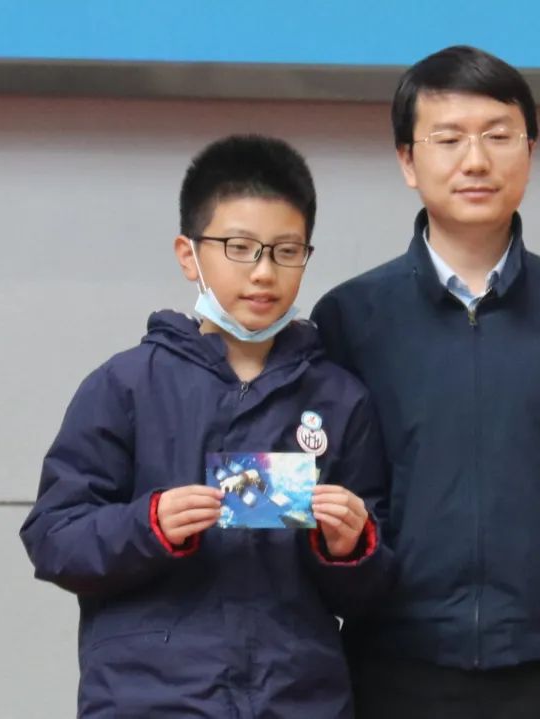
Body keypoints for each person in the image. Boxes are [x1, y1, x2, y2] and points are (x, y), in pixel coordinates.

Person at [311, 46, 540, 719]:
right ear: (407, 161)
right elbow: (331, 506)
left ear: (529, 150)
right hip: (391, 673)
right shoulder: (351, 318)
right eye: (448, 139)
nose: (475, 161)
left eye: (498, 136)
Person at [21, 135, 393, 718]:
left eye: (286, 250)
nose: (263, 272)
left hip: (297, 699)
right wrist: (149, 525)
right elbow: (53, 539)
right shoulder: (125, 385)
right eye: (239, 247)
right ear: (189, 254)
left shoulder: (340, 399)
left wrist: (350, 546)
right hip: (151, 699)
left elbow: (374, 588)